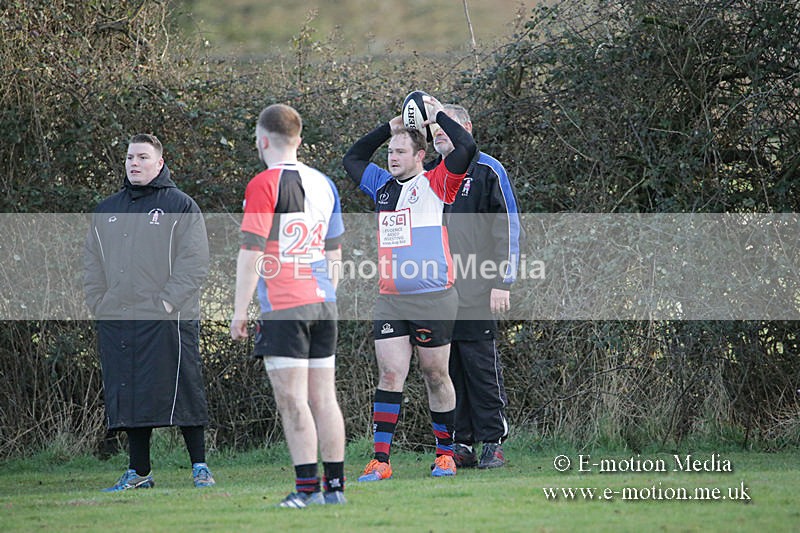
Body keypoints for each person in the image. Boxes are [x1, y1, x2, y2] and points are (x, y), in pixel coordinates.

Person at [342, 94, 477, 481]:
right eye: (390, 152)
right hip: (391, 300)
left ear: (421, 156)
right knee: (390, 375)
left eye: (401, 151)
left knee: (436, 374)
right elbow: (352, 159)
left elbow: (465, 146)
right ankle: (381, 461)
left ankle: (445, 454)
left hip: (434, 297)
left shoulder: (438, 182)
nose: (392, 157)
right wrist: (391, 127)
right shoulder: (382, 186)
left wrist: (434, 116)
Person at [230, 104, 347, 508]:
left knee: (293, 400)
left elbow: (251, 253)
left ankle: (306, 491)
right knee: (324, 398)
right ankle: (334, 491)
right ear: (298, 140)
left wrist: (239, 310)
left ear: (262, 140)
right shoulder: (324, 183)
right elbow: (335, 256)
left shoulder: (264, 183)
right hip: (322, 304)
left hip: (284, 305)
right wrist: (324, 295)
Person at [84, 133, 215, 491]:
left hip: (168, 318)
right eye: (130, 157)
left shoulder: (180, 205)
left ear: (159, 163)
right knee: (129, 393)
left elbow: (195, 260)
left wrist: (168, 302)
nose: (134, 163)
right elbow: (91, 264)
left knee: (184, 389)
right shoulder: (107, 209)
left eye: (142, 157)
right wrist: (99, 302)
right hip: (119, 317)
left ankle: (200, 467)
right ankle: (139, 472)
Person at [426, 104, 524, 469]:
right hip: (439, 293)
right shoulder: (432, 176)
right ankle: (461, 443)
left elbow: (509, 227)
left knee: (480, 368)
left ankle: (492, 442)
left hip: (479, 288)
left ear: (464, 128)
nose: (438, 134)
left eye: (444, 126)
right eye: (433, 130)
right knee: (449, 371)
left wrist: (503, 281)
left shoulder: (487, 169)